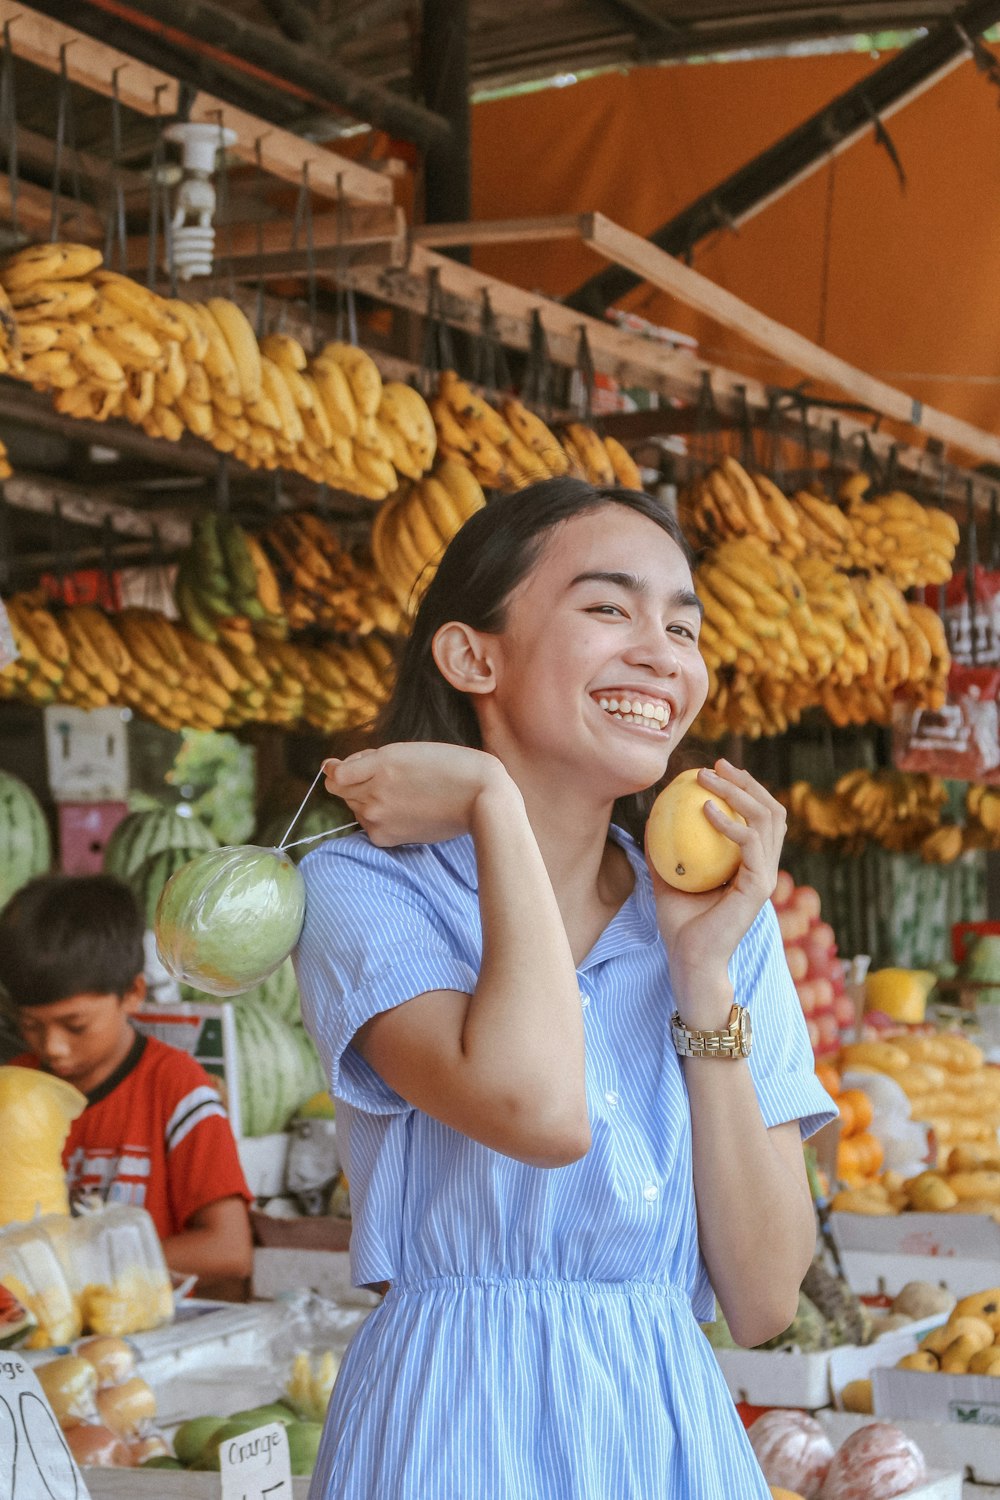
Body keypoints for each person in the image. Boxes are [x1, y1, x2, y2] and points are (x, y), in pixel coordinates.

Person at [293, 477, 837, 1499]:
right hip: (453, 1426)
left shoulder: (717, 923)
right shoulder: (359, 887)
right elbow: (537, 1111)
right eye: (608, 607)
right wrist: (491, 801)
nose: (662, 652)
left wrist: (702, 974)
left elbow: (763, 1297)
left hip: (666, 1428)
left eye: (683, 625)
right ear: (471, 657)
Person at [0, 872, 254, 1298]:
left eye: (75, 1025)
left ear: (133, 993)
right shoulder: (14, 1092)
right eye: (31, 1026)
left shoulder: (175, 1087)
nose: (54, 1048)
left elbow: (228, 1251)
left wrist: (75, 1266)